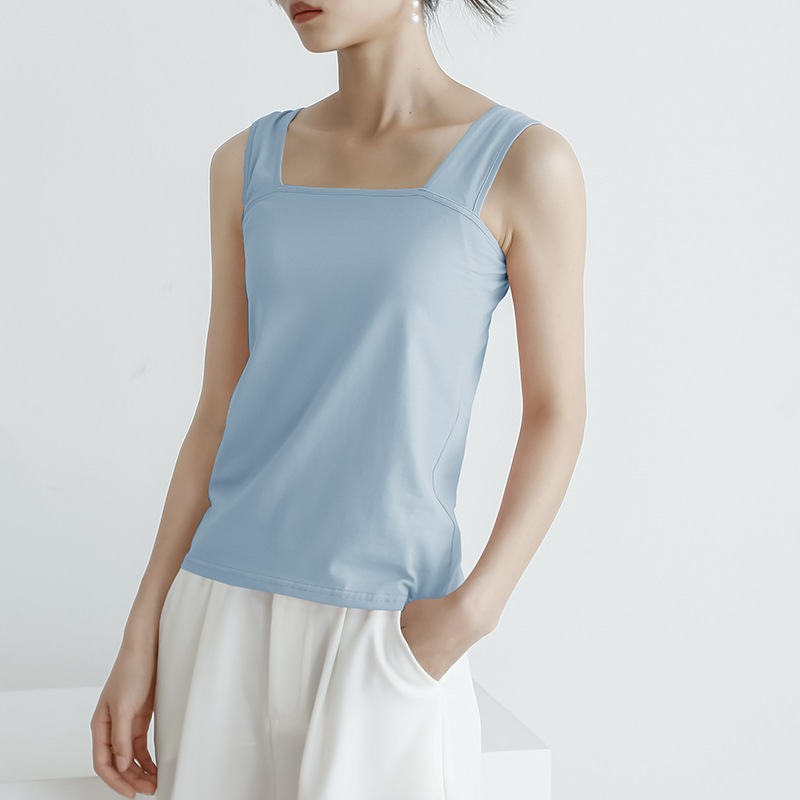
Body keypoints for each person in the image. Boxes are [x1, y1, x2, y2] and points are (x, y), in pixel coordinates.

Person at [90, 0, 587, 797]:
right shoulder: (244, 163)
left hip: (388, 629)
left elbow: (556, 410)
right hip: (219, 614)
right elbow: (218, 410)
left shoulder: (525, 164)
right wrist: (143, 624)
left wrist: (472, 613)